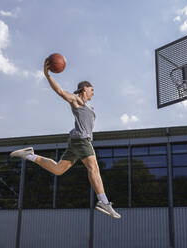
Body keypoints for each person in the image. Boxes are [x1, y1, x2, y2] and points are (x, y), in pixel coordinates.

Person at [10, 58, 121, 219]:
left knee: (58, 169)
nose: (93, 92)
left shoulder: (89, 106)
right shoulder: (77, 101)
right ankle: (103, 201)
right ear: (84, 88)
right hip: (82, 141)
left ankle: (29, 155)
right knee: (93, 167)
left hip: (77, 142)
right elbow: (61, 92)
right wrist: (48, 76)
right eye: (92, 89)